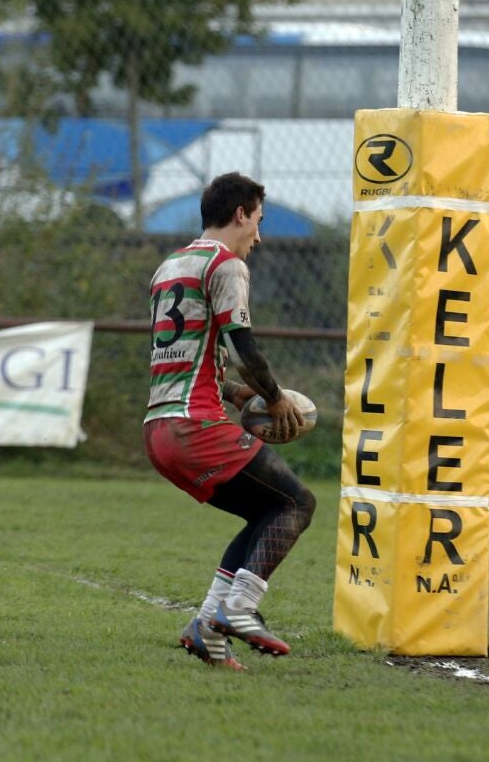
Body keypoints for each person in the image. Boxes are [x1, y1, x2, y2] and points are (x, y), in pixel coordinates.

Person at [144, 172, 317, 671]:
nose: (258, 236)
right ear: (240, 213)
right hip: (195, 426)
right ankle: (239, 610)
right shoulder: (227, 265)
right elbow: (244, 349)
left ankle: (205, 627)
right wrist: (274, 397)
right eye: (257, 221)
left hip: (159, 429)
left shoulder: (170, 266)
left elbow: (187, 360)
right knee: (298, 503)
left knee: (264, 512)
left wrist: (240, 395)